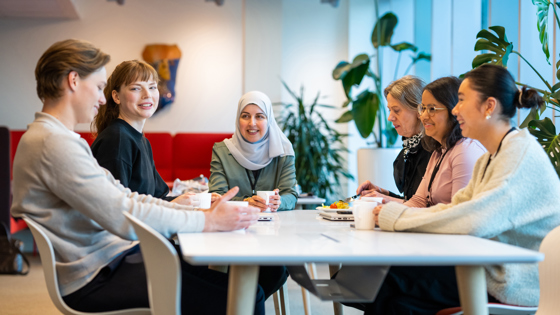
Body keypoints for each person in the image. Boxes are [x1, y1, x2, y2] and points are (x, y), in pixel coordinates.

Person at [10, 39, 264, 315]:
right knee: (246, 297)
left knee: (245, 288)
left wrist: (187, 208)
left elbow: (124, 197)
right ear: (73, 80)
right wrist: (207, 220)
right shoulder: (52, 143)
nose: (101, 98)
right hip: (99, 275)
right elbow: (124, 214)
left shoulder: (54, 138)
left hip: (110, 261)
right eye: (98, 87)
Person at [364, 64, 560, 315]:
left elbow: (474, 220)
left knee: (390, 281)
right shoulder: (490, 157)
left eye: (462, 100)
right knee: (393, 296)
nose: (455, 109)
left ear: (489, 106)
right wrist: (395, 215)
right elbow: (456, 208)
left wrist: (396, 217)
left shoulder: (518, 155)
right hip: (491, 270)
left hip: (514, 284)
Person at [209, 90, 296, 299]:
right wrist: (246, 203)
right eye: (245, 116)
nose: (252, 123)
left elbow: (291, 194)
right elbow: (217, 195)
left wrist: (278, 202)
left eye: (260, 116)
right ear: (238, 119)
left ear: (269, 119)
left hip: (271, 239)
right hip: (231, 236)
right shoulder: (222, 150)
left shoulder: (283, 152)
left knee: (274, 271)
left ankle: (244, 304)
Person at [91, 60, 209, 205]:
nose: (147, 94)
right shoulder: (117, 139)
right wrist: (174, 205)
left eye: (152, 87)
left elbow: (158, 198)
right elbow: (115, 207)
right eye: (136, 88)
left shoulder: (141, 140)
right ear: (116, 97)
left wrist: (199, 199)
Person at [361, 76, 486, 207]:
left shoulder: (463, 151)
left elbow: (458, 214)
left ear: (453, 110)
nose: (424, 116)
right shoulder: (439, 151)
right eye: (424, 108)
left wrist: (387, 209)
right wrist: (384, 199)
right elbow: (418, 201)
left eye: (431, 109)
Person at [357, 75, 431, 202]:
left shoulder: (434, 151)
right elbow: (411, 201)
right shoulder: (409, 150)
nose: (390, 117)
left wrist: (384, 198)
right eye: (390, 110)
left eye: (396, 110)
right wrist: (381, 193)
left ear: (419, 110)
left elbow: (426, 209)